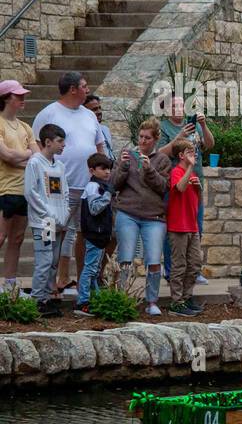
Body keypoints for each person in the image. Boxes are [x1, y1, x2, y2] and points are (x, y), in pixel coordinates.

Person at [32, 71, 105, 298]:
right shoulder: (48, 113)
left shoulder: (89, 115)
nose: (87, 89)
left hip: (88, 188)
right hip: (58, 189)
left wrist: (101, 175)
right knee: (54, 231)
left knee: (85, 233)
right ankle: (47, 284)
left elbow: (99, 146)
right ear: (72, 89)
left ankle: (83, 283)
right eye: (84, 86)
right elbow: (36, 145)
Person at [111, 117, 171, 316]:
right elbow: (114, 184)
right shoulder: (127, 154)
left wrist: (149, 170)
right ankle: (122, 299)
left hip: (153, 217)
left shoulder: (162, 160)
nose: (143, 141)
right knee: (125, 258)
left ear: (155, 140)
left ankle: (152, 301)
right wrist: (124, 167)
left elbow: (163, 187)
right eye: (141, 136)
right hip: (127, 213)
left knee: (153, 260)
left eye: (147, 138)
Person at [159, 94, 215, 285]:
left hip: (195, 183)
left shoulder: (196, 126)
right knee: (174, 230)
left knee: (196, 228)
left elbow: (209, 145)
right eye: (174, 106)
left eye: (182, 105)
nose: (179, 108)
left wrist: (204, 125)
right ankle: (170, 270)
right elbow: (159, 154)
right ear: (166, 109)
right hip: (175, 185)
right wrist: (179, 137)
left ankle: (194, 271)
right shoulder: (163, 127)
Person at [23, 124, 70, 317]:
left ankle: (47, 297)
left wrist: (64, 214)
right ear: (47, 142)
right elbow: (31, 192)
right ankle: (37, 301)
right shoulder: (35, 163)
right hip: (45, 222)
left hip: (59, 221)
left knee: (54, 261)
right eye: (60, 141)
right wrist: (47, 214)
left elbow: (65, 192)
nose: (63, 145)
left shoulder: (59, 166)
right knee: (45, 260)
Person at [0, 80, 38, 294]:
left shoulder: (26, 127)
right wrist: (26, 155)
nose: (22, 98)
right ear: (6, 98)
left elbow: (37, 157)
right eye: (17, 95)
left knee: (17, 238)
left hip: (25, 191)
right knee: (1, 236)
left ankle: (10, 284)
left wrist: (20, 157)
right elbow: (6, 156)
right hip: (4, 190)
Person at [166, 139, 205, 315]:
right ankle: (176, 301)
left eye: (194, 151)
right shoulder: (177, 172)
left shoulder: (194, 176)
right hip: (178, 227)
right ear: (181, 156)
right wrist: (190, 168)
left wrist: (199, 189)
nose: (194, 154)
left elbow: (197, 202)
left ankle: (187, 297)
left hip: (192, 226)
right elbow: (180, 188)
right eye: (190, 152)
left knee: (195, 264)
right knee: (179, 265)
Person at [73, 153, 114, 318]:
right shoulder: (93, 187)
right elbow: (95, 208)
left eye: (109, 168)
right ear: (92, 170)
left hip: (101, 234)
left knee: (95, 269)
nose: (107, 172)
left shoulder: (100, 186)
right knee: (89, 268)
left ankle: (96, 298)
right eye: (103, 168)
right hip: (94, 234)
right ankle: (83, 302)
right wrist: (108, 195)